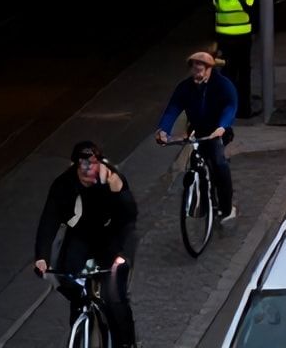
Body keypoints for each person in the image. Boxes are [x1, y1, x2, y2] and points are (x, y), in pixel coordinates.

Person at [33, 140, 138, 348]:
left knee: (114, 297)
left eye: (92, 168)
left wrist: (119, 192)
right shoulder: (63, 185)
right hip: (81, 237)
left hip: (113, 238)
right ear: (74, 167)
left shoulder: (111, 179)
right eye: (83, 170)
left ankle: (127, 343)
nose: (88, 176)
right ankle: (80, 330)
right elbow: (49, 221)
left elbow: (128, 217)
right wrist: (42, 257)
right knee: (69, 279)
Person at [154, 51, 239, 222]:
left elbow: (231, 105)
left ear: (209, 69)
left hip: (216, 131)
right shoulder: (185, 87)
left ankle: (226, 207)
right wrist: (163, 129)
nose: (197, 74)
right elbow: (173, 108)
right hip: (198, 130)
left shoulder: (222, 85)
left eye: (200, 71)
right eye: (194, 70)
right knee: (196, 161)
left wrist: (222, 126)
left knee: (219, 163)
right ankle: (201, 202)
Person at [213, 0, 255, 119]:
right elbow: (249, 6)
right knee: (243, 74)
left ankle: (228, 109)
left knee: (228, 73)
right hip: (241, 39)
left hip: (225, 40)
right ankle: (244, 110)